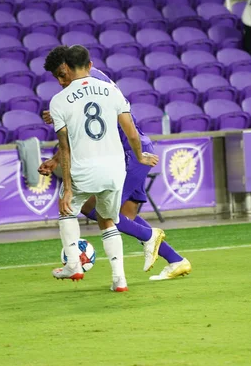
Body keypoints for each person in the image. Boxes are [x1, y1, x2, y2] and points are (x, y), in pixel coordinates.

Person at [40, 46, 192, 281]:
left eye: (63, 74)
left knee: (95, 210)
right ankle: (176, 260)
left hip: (128, 155)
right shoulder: (93, 83)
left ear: (71, 66)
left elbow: (85, 131)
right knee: (124, 216)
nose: (61, 81)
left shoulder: (86, 86)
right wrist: (55, 158)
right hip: (134, 151)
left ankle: (150, 236)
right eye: (57, 77)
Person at [49, 45, 159, 291]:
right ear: (90, 66)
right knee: (108, 219)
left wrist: (67, 188)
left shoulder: (58, 101)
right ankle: (120, 280)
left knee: (67, 210)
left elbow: (65, 148)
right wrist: (140, 156)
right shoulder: (111, 90)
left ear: (66, 67)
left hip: (84, 169)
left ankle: (74, 265)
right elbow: (131, 132)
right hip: (115, 169)